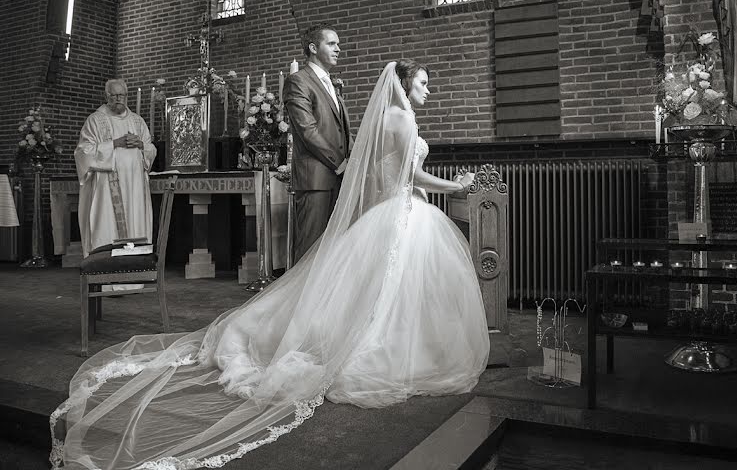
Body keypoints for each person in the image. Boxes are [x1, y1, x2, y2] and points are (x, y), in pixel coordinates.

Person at [51, 59, 488, 470]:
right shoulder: (405, 119)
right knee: (392, 292)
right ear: (404, 85)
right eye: (424, 84)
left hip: (391, 212)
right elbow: (408, 178)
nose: (428, 91)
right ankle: (397, 350)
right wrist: (456, 185)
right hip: (404, 211)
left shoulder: (390, 119)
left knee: (379, 290)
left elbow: (388, 173)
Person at [282, 24, 352, 263]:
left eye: (338, 44)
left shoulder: (331, 83)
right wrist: (340, 163)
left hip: (339, 178)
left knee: (334, 251)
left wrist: (355, 160)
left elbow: (342, 131)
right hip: (315, 179)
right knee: (310, 252)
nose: (338, 49)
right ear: (313, 47)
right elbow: (307, 130)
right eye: (331, 44)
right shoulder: (298, 81)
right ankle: (300, 301)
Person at [74, 79, 156, 256]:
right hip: (106, 191)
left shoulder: (137, 121)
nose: (119, 99)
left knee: (135, 225)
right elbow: (83, 152)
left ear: (127, 96)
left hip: (134, 189)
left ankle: (134, 273)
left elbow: (151, 149)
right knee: (107, 226)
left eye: (122, 95)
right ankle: (105, 273)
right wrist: (114, 144)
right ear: (107, 96)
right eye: (114, 95)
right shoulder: (95, 120)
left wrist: (141, 145)